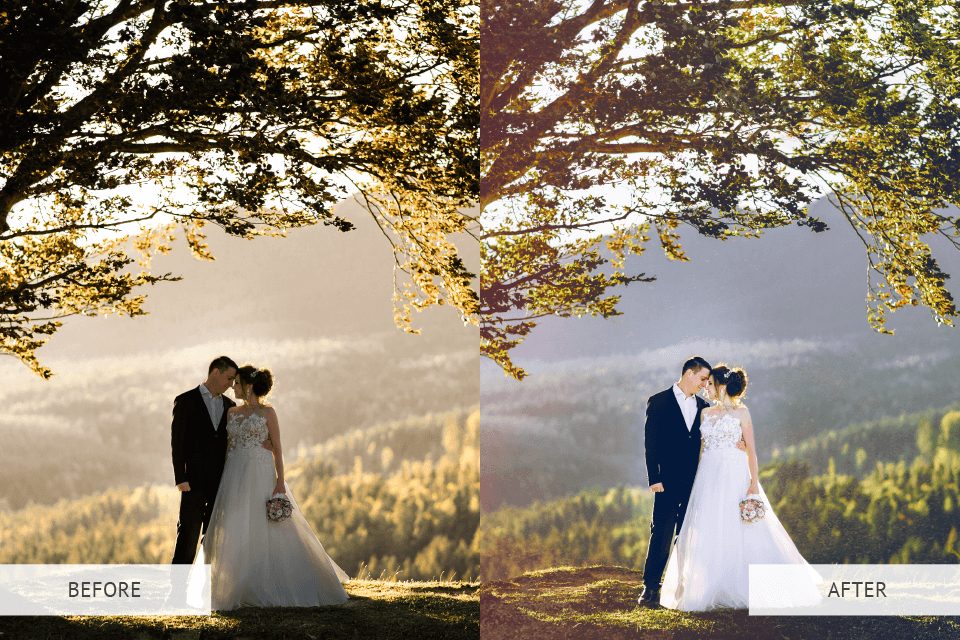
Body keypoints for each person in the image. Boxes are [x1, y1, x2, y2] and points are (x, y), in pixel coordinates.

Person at [659, 365, 821, 611]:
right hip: (708, 474)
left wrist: (753, 483)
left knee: (741, 527)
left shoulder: (742, 413)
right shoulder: (705, 413)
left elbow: (752, 450)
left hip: (734, 473)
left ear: (721, 386)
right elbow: (701, 449)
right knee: (709, 526)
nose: (706, 387)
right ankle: (708, 584)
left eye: (710, 383)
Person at [192, 365, 349, 610]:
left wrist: (280, 482)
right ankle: (233, 584)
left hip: (261, 472)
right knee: (235, 524)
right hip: (234, 472)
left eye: (237, 383)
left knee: (264, 523)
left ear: (249, 386)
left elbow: (277, 447)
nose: (233, 387)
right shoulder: (232, 413)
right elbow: (228, 446)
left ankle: (270, 581)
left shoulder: (268, 413)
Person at [637, 356, 715, 607]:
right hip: (667, 482)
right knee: (661, 533)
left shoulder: (704, 406)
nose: (705, 385)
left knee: (687, 535)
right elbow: (651, 443)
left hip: (695, 482)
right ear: (689, 374)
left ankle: (682, 587)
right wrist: (654, 477)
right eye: (703, 378)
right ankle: (650, 588)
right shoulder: (658, 402)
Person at [170, 356, 242, 566]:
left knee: (213, 539)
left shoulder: (230, 405)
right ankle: (177, 591)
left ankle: (205, 590)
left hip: (220, 483)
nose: (230, 385)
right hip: (193, 482)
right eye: (228, 378)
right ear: (215, 373)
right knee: (187, 537)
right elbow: (178, 443)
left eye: (233, 381)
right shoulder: (185, 401)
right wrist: (180, 478)